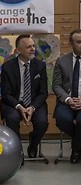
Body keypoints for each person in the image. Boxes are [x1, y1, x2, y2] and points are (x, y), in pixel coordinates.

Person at [0, 34, 48, 159]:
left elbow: (43, 92)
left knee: (42, 122)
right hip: (14, 102)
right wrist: (19, 107)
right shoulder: (7, 67)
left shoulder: (40, 66)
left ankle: (33, 145)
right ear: (18, 50)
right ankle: (18, 151)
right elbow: (6, 94)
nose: (33, 49)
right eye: (28, 47)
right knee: (12, 119)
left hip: (35, 102)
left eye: (33, 46)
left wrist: (32, 107)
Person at [52, 29, 81, 164]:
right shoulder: (61, 61)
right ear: (71, 44)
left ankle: (76, 150)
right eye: (79, 42)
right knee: (61, 119)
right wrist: (68, 100)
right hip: (67, 101)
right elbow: (56, 85)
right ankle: (78, 141)